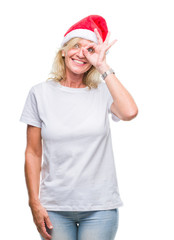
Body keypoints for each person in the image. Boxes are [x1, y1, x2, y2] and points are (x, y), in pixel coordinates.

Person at [21, 15, 138, 240]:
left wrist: (103, 65)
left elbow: (130, 112)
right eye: (76, 46)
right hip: (54, 207)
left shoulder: (104, 92)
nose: (82, 54)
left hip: (100, 207)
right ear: (63, 51)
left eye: (90, 50)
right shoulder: (39, 93)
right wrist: (34, 203)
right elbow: (33, 153)